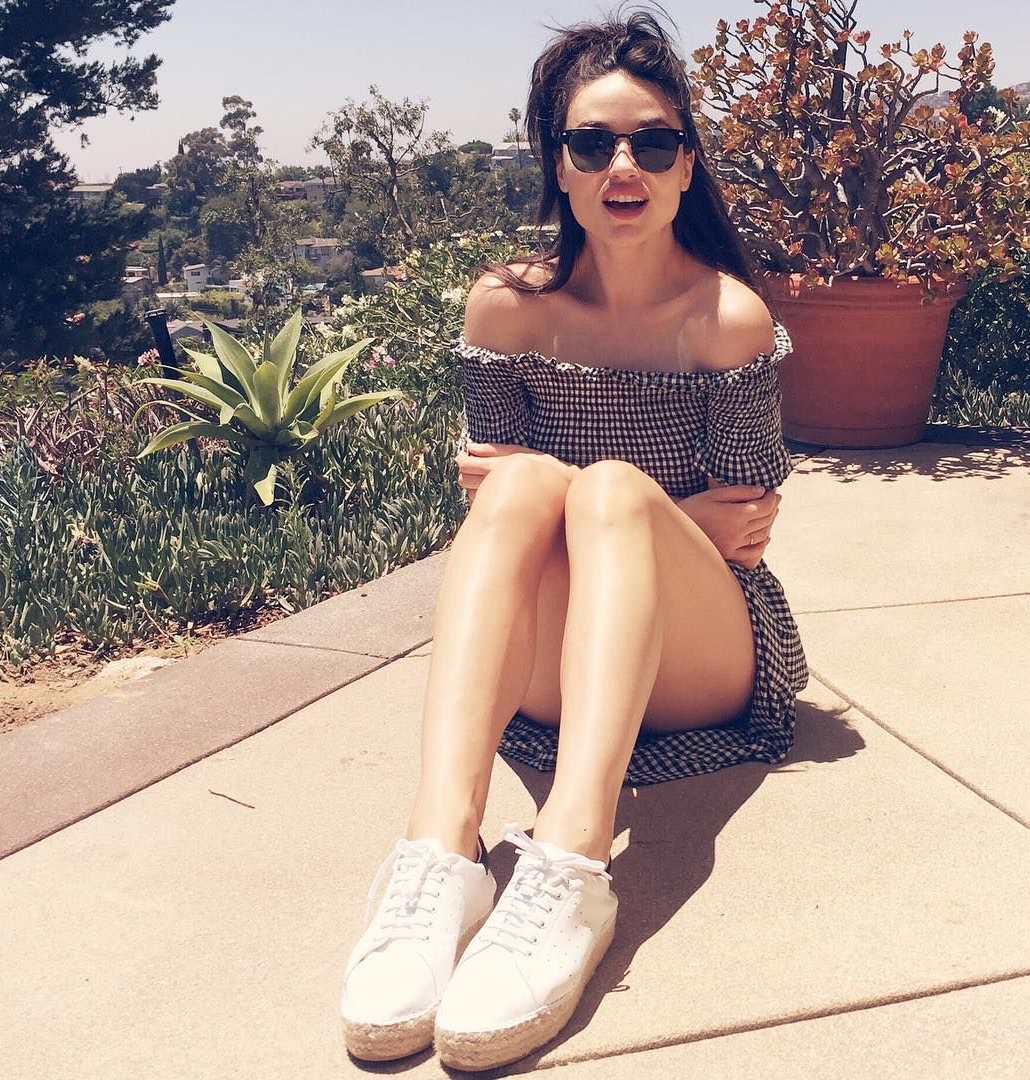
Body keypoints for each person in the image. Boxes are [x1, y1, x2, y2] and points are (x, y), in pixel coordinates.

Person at [340, 4, 809, 1071]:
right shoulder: (507, 310)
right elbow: (497, 505)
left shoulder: (726, 317)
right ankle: (439, 853)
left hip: (707, 658)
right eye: (592, 144)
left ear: (687, 167)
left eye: (653, 142)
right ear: (559, 166)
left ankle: (571, 860)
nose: (623, 166)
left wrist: (616, 508)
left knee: (596, 491)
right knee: (526, 490)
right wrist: (603, 505)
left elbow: (743, 534)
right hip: (566, 653)